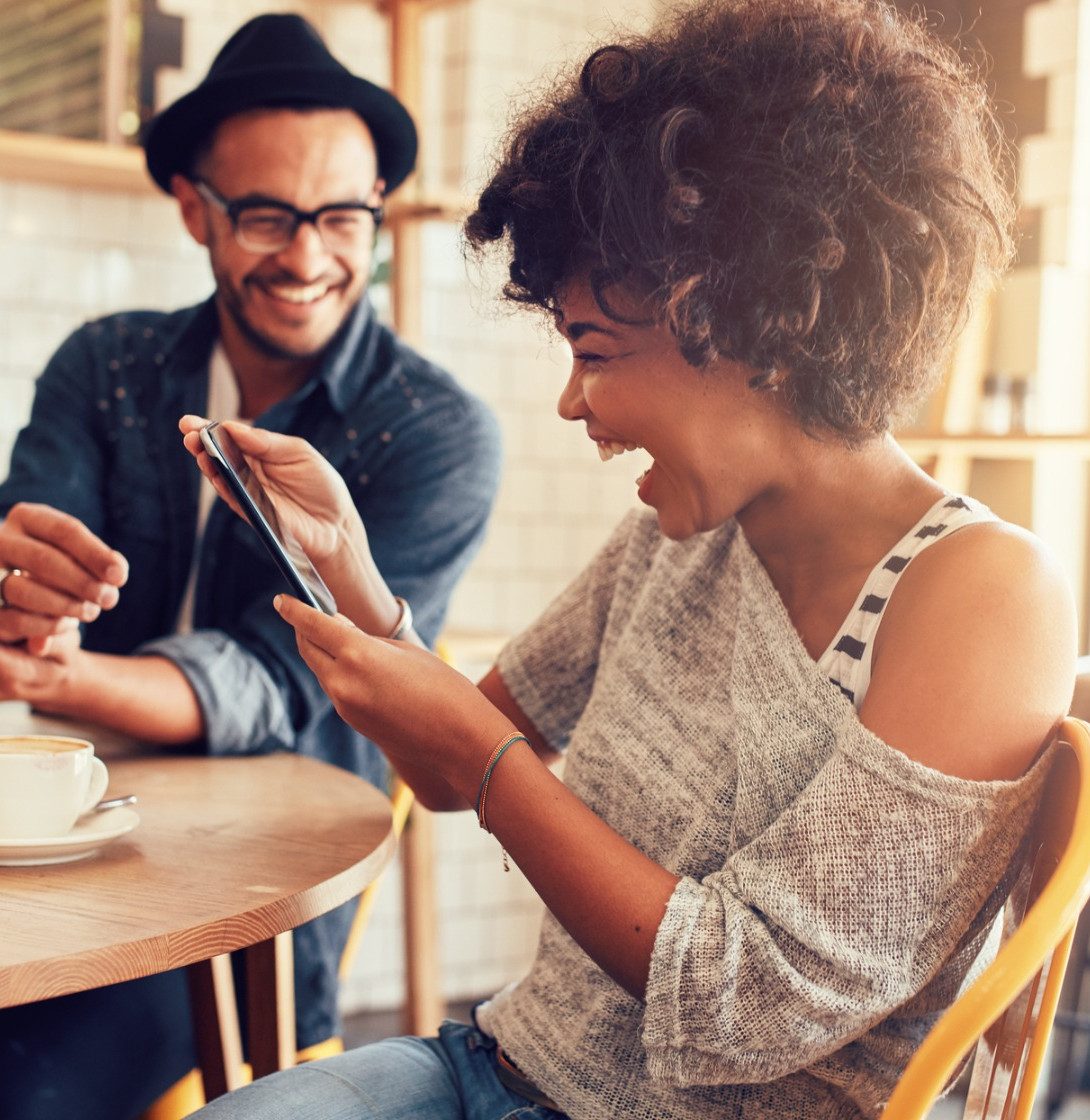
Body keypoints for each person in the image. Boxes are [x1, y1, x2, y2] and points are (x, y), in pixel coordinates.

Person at [181, 0, 1077, 1117]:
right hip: (494, 1071)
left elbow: (746, 1001)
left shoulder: (984, 592)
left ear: (743, 318)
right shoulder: (677, 534)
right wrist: (355, 578)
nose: (573, 401)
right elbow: (446, 769)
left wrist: (491, 758)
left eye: (592, 351)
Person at [0, 13, 501, 1120]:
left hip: (249, 895)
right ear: (195, 208)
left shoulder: (433, 431)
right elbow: (23, 578)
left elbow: (274, 683)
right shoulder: (106, 365)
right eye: (269, 215)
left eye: (342, 216)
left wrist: (55, 677)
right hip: (49, 830)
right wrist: (18, 594)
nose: (312, 256)